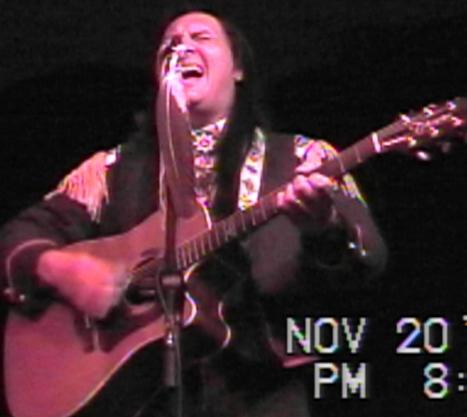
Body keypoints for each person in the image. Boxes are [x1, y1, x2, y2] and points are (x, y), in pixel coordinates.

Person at [0, 6, 387, 417]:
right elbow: (17, 236)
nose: (181, 47)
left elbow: (368, 264)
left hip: (261, 392)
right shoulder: (111, 171)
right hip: (142, 400)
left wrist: (324, 228)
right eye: (169, 45)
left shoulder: (300, 159)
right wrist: (60, 269)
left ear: (238, 69)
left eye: (200, 38)